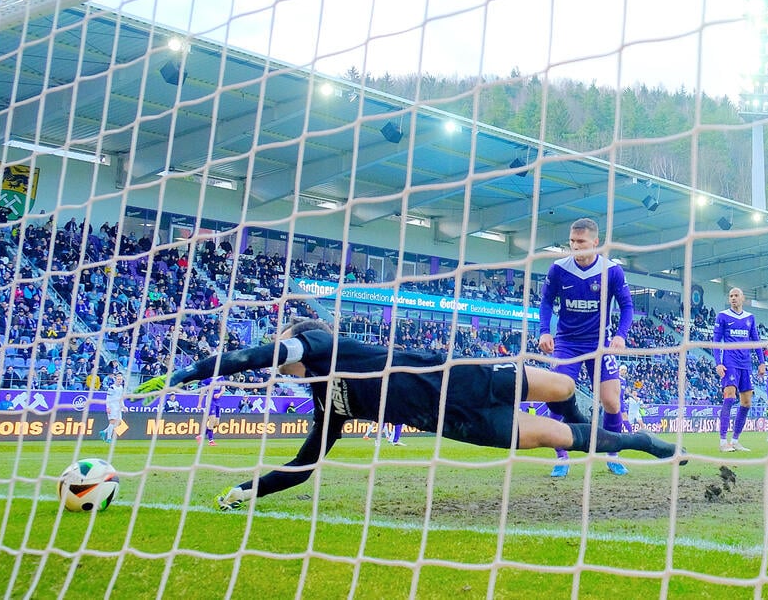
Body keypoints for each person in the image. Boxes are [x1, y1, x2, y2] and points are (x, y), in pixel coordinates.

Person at [132, 319, 686, 511]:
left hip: (462, 374)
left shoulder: (321, 345)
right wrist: (247, 490)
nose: (280, 367)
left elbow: (254, 356)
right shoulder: (332, 405)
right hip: (457, 422)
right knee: (553, 434)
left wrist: (185, 375)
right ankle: (635, 442)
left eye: (285, 355)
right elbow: (303, 466)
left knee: (563, 382)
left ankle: (604, 433)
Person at [538, 217, 634, 477]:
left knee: (612, 402)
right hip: (567, 343)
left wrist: (621, 335)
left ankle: (612, 455)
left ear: (595, 242)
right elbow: (546, 302)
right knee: (557, 400)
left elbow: (627, 306)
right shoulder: (558, 268)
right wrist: (544, 331)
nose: (575, 247)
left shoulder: (612, 271)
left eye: (580, 242)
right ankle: (562, 457)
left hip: (600, 344)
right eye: (571, 242)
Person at [713, 287, 766, 452]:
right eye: (731, 296)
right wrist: (718, 363)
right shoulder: (723, 316)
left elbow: (756, 341)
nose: (733, 298)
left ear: (743, 298)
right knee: (729, 396)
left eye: (736, 295)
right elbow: (716, 341)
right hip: (729, 362)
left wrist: (762, 362)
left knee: (746, 402)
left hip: (746, 364)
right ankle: (723, 442)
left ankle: (735, 440)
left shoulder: (750, 318)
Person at [99, 372, 127, 443]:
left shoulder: (121, 387)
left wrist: (123, 406)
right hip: (112, 406)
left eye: (120, 379)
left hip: (118, 407)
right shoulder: (112, 387)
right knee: (112, 421)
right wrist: (108, 407)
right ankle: (108, 438)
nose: (119, 380)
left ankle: (104, 432)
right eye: (118, 379)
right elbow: (108, 398)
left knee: (118, 422)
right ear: (115, 379)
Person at [196, 377, 225, 446]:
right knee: (211, 421)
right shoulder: (207, 379)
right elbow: (202, 392)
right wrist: (199, 403)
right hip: (210, 402)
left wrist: (219, 394)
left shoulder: (221, 377)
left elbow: (223, 389)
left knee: (216, 424)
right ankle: (211, 441)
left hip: (217, 402)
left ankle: (201, 436)